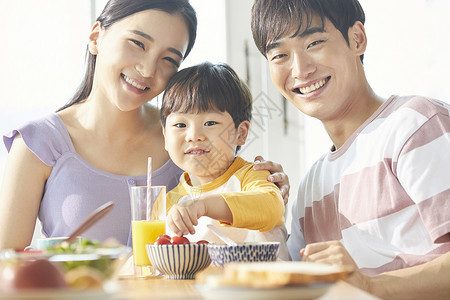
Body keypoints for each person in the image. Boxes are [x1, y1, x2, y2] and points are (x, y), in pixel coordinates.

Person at [0, 0, 289, 251]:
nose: (148, 70)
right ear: (96, 36)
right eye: (138, 43)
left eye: (168, 59)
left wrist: (273, 187)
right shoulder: (39, 144)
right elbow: (5, 265)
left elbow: (243, 192)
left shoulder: (183, 138)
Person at [251, 0, 450, 299]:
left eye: (314, 42)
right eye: (280, 55)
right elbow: (296, 283)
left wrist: (370, 287)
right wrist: (265, 214)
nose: (300, 69)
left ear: (357, 38)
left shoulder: (416, 125)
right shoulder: (311, 186)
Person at [160, 62, 289, 260]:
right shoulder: (167, 202)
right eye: (180, 124)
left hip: (265, 288)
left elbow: (272, 207)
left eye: (210, 123)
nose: (194, 135)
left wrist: (203, 205)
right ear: (165, 137)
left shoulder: (252, 175)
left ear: (241, 133)